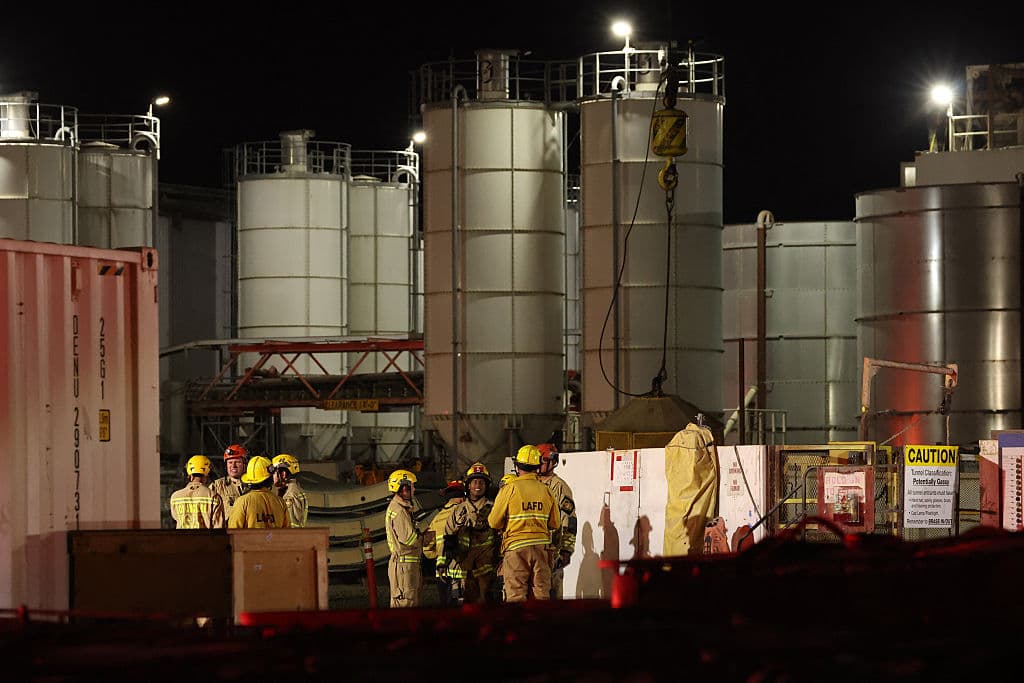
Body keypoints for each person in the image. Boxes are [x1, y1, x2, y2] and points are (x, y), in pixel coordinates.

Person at [488, 445, 559, 602]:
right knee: (541, 596)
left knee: (516, 597)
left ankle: (519, 626)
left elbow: (493, 522)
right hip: (542, 549)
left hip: (516, 548)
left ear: (517, 466)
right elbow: (555, 523)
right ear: (537, 466)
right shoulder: (546, 490)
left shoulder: (509, 489)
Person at [446, 462, 500, 604]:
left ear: (487, 485)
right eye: (474, 481)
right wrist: (443, 563)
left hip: (486, 573)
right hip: (462, 573)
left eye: (482, 482)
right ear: (468, 485)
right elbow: (448, 537)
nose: (478, 484)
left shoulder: (494, 508)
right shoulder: (458, 510)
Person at [537, 443, 577, 599]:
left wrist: (566, 550)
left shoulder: (559, 486)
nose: (539, 465)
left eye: (542, 461)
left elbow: (570, 520)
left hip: (554, 548)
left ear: (553, 462)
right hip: (535, 548)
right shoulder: (532, 483)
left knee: (552, 594)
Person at [423, 480, 467, 606]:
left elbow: (426, 548)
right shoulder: (464, 513)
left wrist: (438, 555)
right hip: (461, 572)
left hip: (441, 572)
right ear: (460, 498)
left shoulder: (436, 519)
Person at [385, 468, 424, 608]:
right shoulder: (399, 511)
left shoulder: (401, 508)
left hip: (406, 567)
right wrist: (425, 537)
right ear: (404, 487)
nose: (414, 489)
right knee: (405, 605)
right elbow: (410, 540)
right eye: (411, 486)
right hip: (403, 568)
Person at [227, 455, 290, 529]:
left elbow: (233, 532)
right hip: (274, 540)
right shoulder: (280, 502)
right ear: (269, 478)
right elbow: (287, 532)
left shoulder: (242, 502)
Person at [169, 455, 224, 529]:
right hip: (205, 540)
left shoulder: (175, 497)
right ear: (207, 474)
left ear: (189, 475)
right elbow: (218, 528)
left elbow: (175, 519)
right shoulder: (213, 496)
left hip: (181, 540)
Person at [210, 444, 248, 526]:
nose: (233, 466)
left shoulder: (253, 484)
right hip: (227, 533)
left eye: (237, 462)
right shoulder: (217, 486)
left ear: (245, 464)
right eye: (230, 462)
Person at [271, 453, 308, 528]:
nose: (273, 476)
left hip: (290, 537)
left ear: (283, 474)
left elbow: (291, 525)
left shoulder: (290, 496)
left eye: (274, 472)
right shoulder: (294, 490)